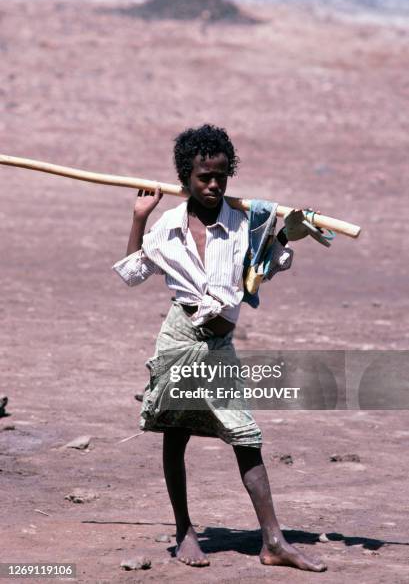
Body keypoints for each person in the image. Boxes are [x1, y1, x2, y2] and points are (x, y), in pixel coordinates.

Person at [113, 124, 327, 572]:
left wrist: (287, 234)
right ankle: (184, 531)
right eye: (203, 178)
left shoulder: (244, 223)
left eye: (221, 177)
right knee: (177, 432)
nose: (213, 186)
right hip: (179, 338)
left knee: (245, 436)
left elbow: (266, 266)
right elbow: (133, 273)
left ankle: (274, 542)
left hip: (219, 344)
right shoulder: (168, 226)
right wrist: (139, 216)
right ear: (185, 179)